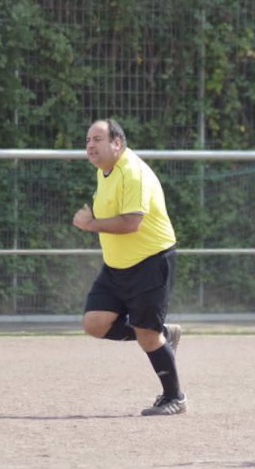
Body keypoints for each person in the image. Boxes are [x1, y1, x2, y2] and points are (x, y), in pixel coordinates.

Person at [73, 118, 187, 416]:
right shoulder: (105, 172)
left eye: (97, 139)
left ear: (117, 143)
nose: (90, 145)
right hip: (116, 268)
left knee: (146, 335)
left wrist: (90, 225)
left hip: (150, 262)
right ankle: (162, 334)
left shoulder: (132, 173)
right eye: (87, 140)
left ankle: (175, 397)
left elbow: (132, 222)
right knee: (94, 324)